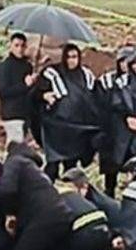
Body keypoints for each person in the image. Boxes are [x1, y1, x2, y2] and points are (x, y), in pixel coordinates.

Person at [34, 43, 103, 181]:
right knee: (53, 165)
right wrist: (44, 96)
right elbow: (35, 94)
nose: (72, 60)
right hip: (57, 127)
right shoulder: (52, 73)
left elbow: (95, 97)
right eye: (69, 57)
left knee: (71, 166)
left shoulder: (86, 75)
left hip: (77, 128)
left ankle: (69, 194)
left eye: (75, 57)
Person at [96, 46, 133, 196]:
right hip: (110, 128)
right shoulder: (107, 80)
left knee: (131, 164)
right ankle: (109, 194)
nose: (124, 65)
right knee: (110, 168)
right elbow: (99, 102)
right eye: (122, 61)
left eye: (128, 61)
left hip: (130, 130)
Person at [0, 32, 37, 145]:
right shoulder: (4, 67)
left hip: (25, 113)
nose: (20, 49)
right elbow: (3, 92)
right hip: (12, 113)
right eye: (16, 45)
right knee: (15, 147)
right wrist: (25, 85)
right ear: (10, 46)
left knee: (20, 147)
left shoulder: (27, 66)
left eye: (22, 46)